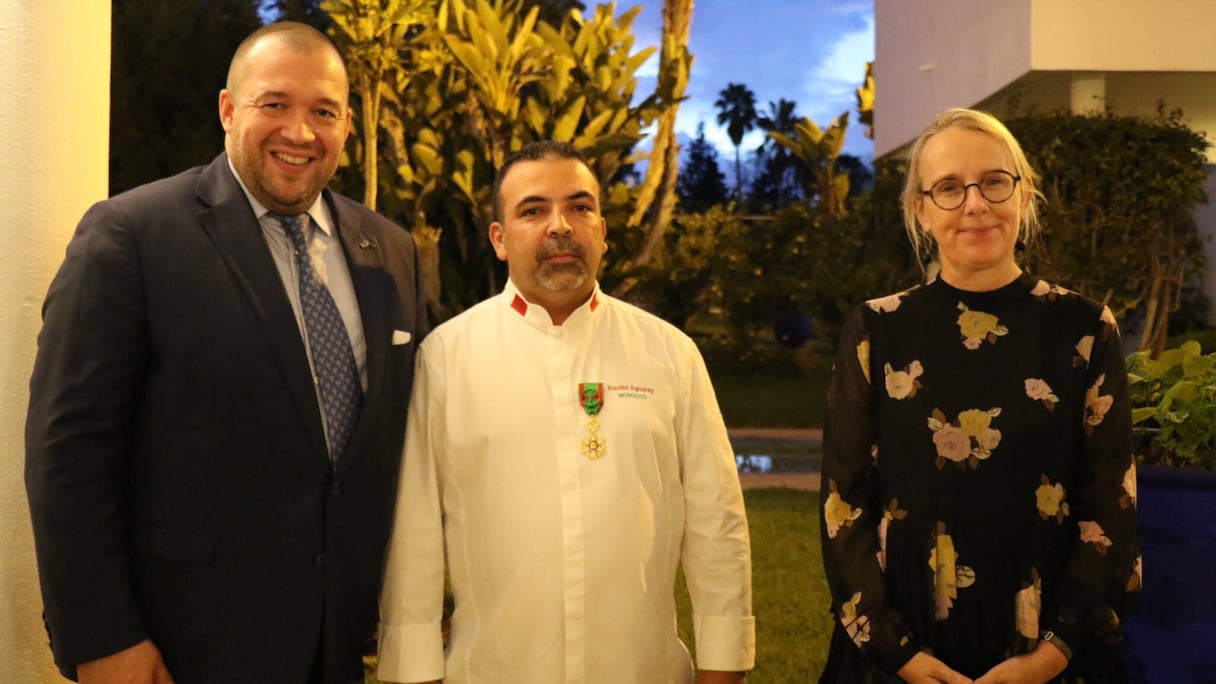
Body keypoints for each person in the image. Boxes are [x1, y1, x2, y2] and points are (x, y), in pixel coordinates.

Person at [25, 22, 428, 684]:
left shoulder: (391, 252)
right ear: (228, 109)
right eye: (275, 104)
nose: (299, 132)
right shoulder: (132, 236)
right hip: (183, 647)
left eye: (322, 112)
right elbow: (67, 452)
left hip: (338, 648)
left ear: (347, 125)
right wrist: (103, 637)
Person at [375, 141, 755, 684]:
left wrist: (724, 664)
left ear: (602, 229)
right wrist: (415, 670)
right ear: (500, 240)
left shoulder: (669, 353)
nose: (560, 226)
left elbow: (716, 521)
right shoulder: (447, 358)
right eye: (533, 210)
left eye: (579, 207)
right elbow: (413, 534)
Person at [818, 108, 1140, 684]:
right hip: (902, 652)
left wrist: (1052, 652)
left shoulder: (1086, 329)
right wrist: (898, 653)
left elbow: (1110, 502)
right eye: (948, 187)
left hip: (1052, 650)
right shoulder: (876, 329)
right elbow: (845, 505)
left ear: (1025, 194)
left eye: (994, 181)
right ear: (920, 209)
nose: (975, 204)